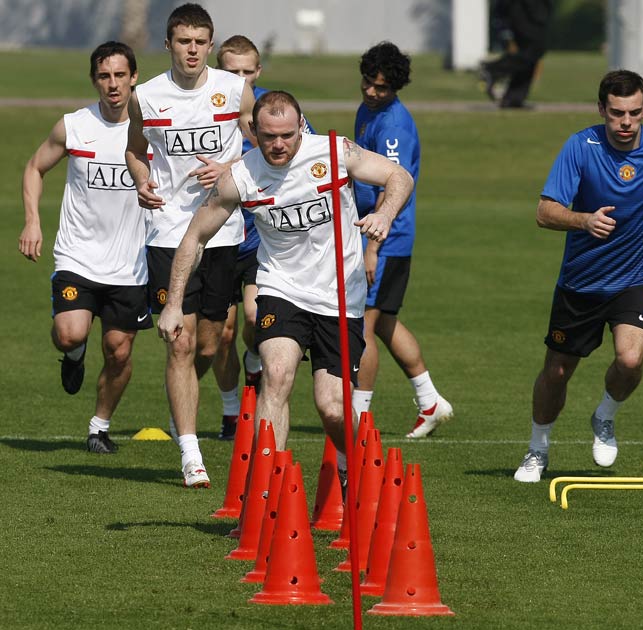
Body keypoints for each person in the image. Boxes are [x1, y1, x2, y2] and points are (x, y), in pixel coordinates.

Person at [157, 90, 414, 484]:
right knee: (275, 375)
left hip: (340, 295)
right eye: (269, 136)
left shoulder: (334, 151)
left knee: (332, 407)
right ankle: (265, 492)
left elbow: (399, 176)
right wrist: (174, 303)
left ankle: (353, 463)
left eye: (287, 135)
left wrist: (384, 214)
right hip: (281, 287)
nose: (278, 145)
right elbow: (194, 237)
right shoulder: (241, 177)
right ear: (253, 131)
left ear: (300, 128)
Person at [514, 70, 643, 482]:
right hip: (580, 282)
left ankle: (604, 416)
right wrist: (583, 220)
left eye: (634, 112)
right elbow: (545, 212)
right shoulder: (580, 147)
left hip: (635, 278)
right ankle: (537, 450)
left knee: (631, 359)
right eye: (617, 113)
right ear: (602, 109)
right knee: (557, 371)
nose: (626, 122)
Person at [125, 3, 255, 488]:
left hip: (223, 230)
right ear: (168, 44)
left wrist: (229, 168)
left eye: (200, 42)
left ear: (211, 44)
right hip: (167, 230)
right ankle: (190, 453)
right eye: (184, 41)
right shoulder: (146, 96)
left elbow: (262, 147)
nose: (192, 50)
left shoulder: (233, 89)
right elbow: (135, 149)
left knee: (211, 340)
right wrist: (140, 179)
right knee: (179, 341)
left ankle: (197, 411)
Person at [19, 41, 151, 454]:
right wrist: (33, 220)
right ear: (94, 80)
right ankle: (74, 354)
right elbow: (34, 167)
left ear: (134, 77)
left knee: (118, 350)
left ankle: (99, 427)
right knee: (68, 333)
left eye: (120, 75)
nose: (113, 84)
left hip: (131, 263)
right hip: (77, 255)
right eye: (104, 76)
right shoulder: (73, 126)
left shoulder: (154, 130)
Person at [212, 35, 316, 440]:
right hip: (221, 239)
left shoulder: (276, 119)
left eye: (247, 71)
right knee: (221, 335)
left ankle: (255, 358)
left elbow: (309, 157)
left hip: (262, 242)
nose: (241, 79)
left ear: (258, 71)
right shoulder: (208, 114)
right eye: (231, 71)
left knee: (255, 320)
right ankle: (230, 410)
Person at [351, 42, 453, 439]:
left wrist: (372, 248)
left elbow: (391, 188)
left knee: (362, 326)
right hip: (375, 235)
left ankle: (358, 419)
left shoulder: (393, 125)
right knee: (385, 323)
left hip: (385, 240)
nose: (371, 91)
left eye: (381, 87)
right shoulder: (368, 110)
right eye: (368, 82)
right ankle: (430, 402)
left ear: (395, 88)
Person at [480, 0, 553, 108]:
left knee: (531, 50)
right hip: (524, 9)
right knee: (534, 49)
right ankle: (494, 68)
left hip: (531, 10)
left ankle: (513, 99)